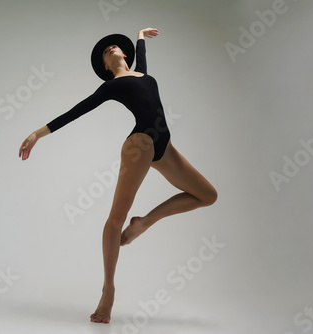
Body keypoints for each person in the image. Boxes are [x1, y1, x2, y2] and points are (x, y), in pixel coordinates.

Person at [18, 27, 218, 324]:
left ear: (126, 54)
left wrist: (139, 36)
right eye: (105, 52)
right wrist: (37, 133)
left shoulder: (144, 76)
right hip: (140, 145)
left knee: (207, 195)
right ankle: (108, 290)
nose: (110, 49)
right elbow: (77, 110)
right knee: (115, 218)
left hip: (165, 147)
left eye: (115, 47)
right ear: (105, 66)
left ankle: (145, 222)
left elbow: (144, 61)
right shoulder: (111, 86)